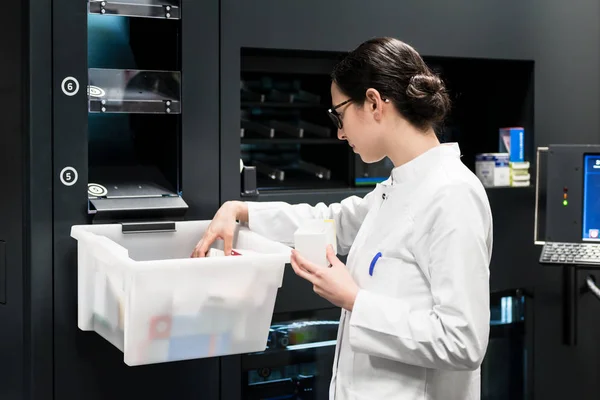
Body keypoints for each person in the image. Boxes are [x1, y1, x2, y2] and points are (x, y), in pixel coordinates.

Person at [192, 37, 492, 400]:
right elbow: (332, 221)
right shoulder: (398, 187)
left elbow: (463, 342)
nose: (339, 131)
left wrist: (354, 300)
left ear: (374, 103)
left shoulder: (452, 195)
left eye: (340, 113)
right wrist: (242, 211)